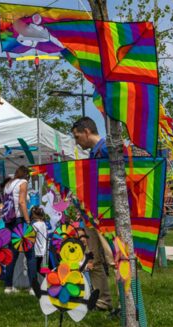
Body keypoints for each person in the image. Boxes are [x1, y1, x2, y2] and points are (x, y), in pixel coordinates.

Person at [71, 117, 113, 311]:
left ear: (86, 131)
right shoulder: (92, 154)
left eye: (77, 136)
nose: (76, 141)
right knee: (94, 259)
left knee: (113, 257)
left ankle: (127, 304)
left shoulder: (106, 150)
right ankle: (102, 301)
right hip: (90, 214)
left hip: (105, 214)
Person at [3, 166, 40, 295]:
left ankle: (8, 286)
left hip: (9, 223)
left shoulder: (8, 184)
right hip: (20, 221)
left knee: (12, 255)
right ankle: (33, 287)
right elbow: (22, 202)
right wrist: (28, 221)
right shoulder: (23, 183)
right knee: (30, 255)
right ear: (26, 175)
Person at [31, 206, 47, 279]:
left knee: (35, 268)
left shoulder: (34, 225)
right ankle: (47, 278)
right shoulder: (44, 224)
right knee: (42, 268)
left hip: (36, 250)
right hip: (44, 249)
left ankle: (47, 279)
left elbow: (31, 236)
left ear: (34, 215)